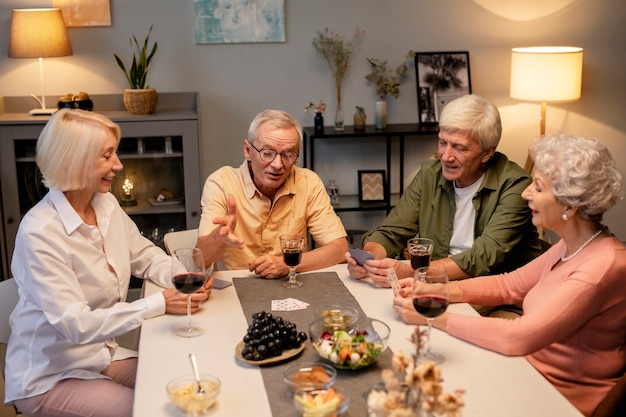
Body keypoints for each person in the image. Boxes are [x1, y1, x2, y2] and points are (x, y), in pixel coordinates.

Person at [393, 134, 626, 417]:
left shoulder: (601, 268)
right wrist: (437, 290)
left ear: (569, 206)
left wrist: (432, 316)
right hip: (524, 372)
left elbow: (517, 338)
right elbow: (509, 285)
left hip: (557, 400)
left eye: (538, 188)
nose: (526, 193)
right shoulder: (575, 245)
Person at [4, 109, 213, 417]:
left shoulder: (106, 204)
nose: (118, 165)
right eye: (107, 156)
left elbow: (145, 255)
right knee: (156, 410)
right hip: (50, 375)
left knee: (187, 385)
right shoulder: (40, 233)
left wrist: (184, 275)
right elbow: (76, 324)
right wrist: (158, 303)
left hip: (100, 355)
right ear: (73, 160)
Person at [346, 94, 542, 287]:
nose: (446, 156)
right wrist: (369, 259)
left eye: (459, 147)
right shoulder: (430, 173)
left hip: (495, 290)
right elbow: (392, 231)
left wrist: (415, 273)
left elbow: (483, 258)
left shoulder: (515, 185)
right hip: (438, 282)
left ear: (487, 152)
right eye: (442, 142)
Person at [196, 109, 348, 278]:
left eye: (288, 154)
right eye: (267, 153)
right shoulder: (221, 183)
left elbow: (340, 248)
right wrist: (218, 237)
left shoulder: (308, 182)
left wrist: (288, 264)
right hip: (234, 291)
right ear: (247, 150)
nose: (277, 164)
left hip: (292, 286)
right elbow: (200, 259)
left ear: (297, 156)